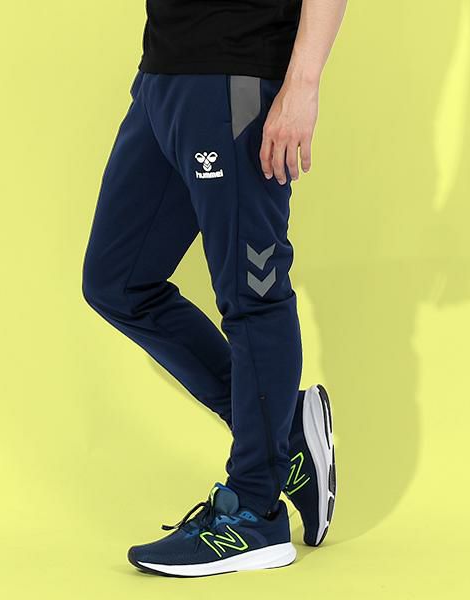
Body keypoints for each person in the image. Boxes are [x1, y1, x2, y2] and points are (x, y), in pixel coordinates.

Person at [82, 0, 347, 577]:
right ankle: (281, 436)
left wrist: (302, 86)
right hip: (163, 75)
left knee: (253, 293)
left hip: (239, 78)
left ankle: (254, 512)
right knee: (117, 282)